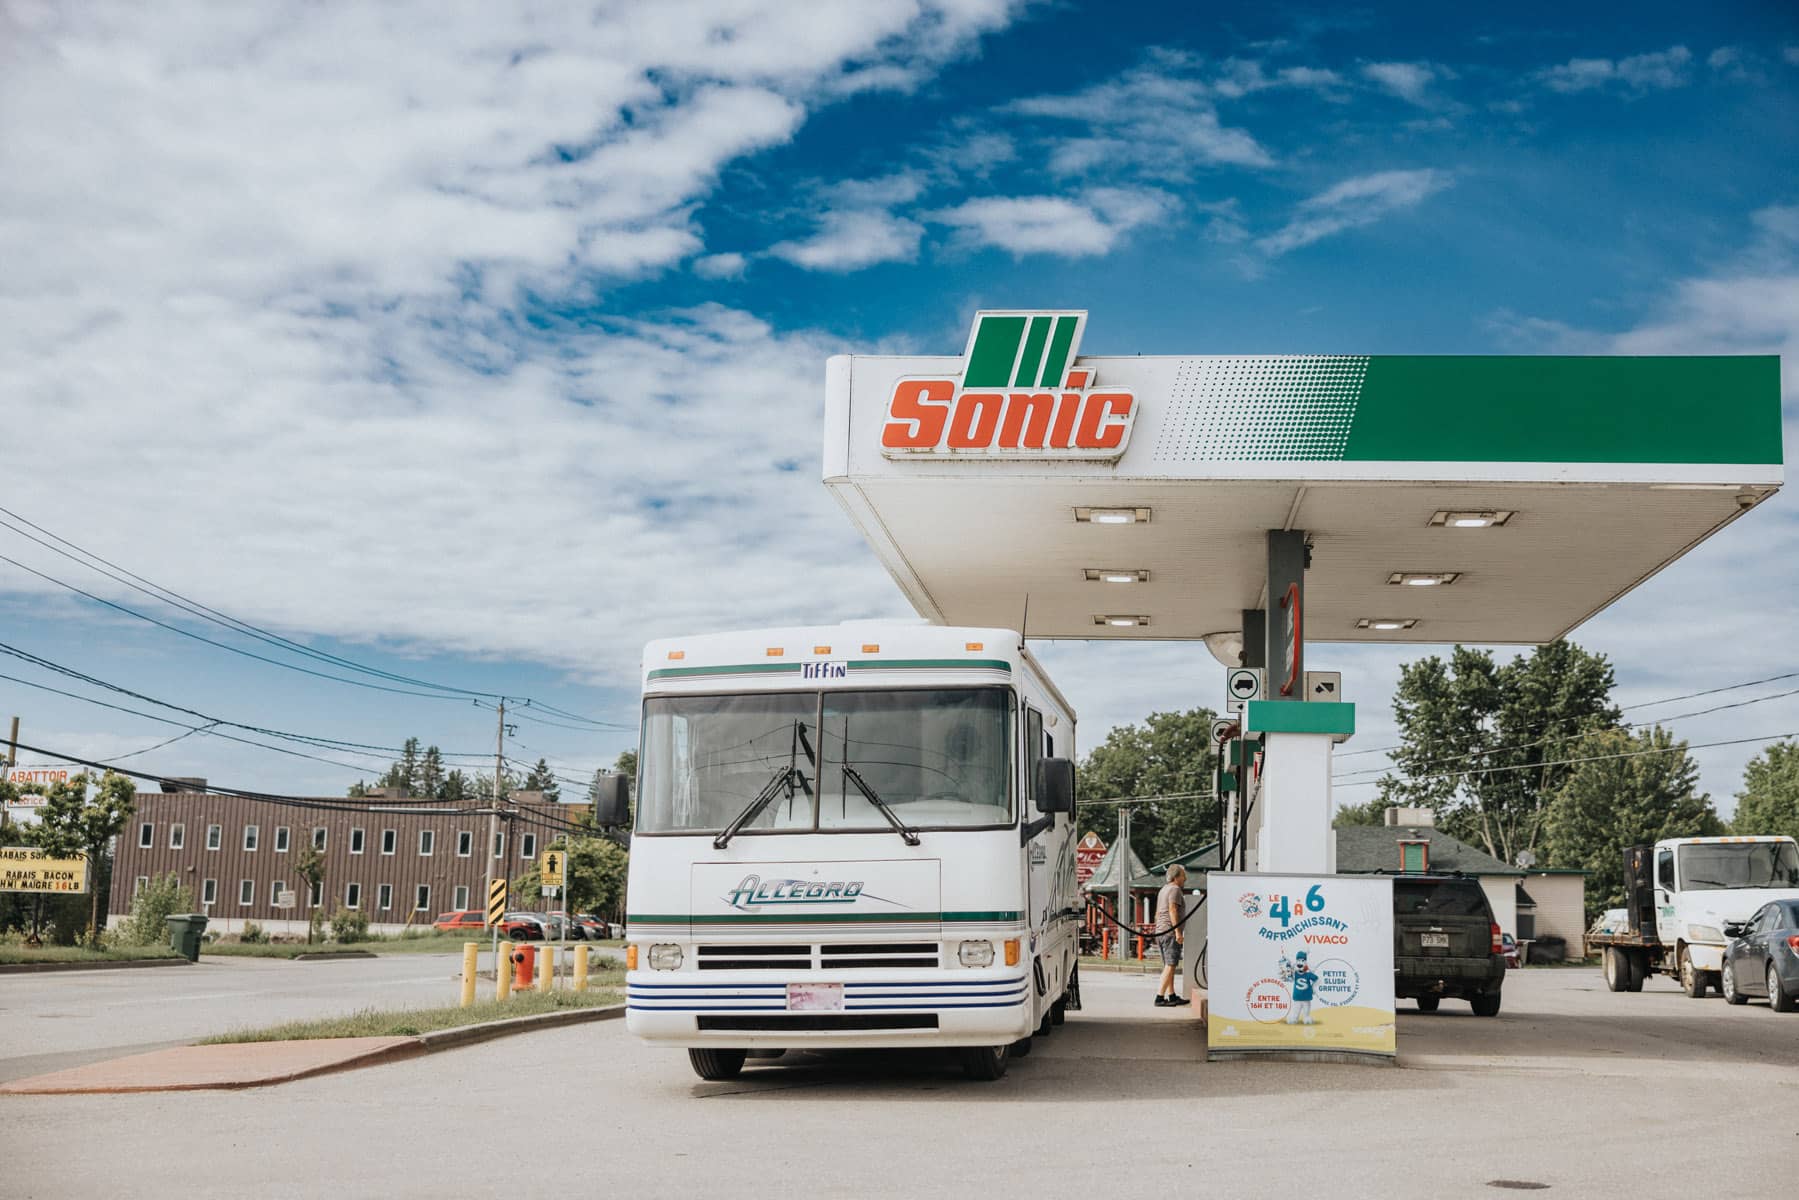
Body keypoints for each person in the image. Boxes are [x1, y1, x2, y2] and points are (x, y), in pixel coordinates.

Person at [1153, 864, 1187, 1007]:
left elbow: (1158, 913)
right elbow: (1172, 910)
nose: (1185, 879)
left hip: (1161, 931)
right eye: (1183, 876)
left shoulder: (1163, 890)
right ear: (1176, 877)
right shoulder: (1175, 889)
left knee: (1169, 965)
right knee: (1171, 964)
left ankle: (1171, 995)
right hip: (1170, 932)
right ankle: (1159, 997)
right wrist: (1177, 931)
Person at [1284, 950, 1318, 1025]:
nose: (1300, 963)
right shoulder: (1295, 974)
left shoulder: (1308, 974)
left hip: (1306, 998)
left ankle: (1306, 1018)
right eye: (1298, 960)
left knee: (1306, 1012)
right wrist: (1288, 969)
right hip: (1297, 998)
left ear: (1305, 962)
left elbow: (1317, 979)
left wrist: (1313, 988)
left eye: (1302, 960)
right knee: (1296, 1011)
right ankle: (1294, 1018)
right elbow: (1289, 977)